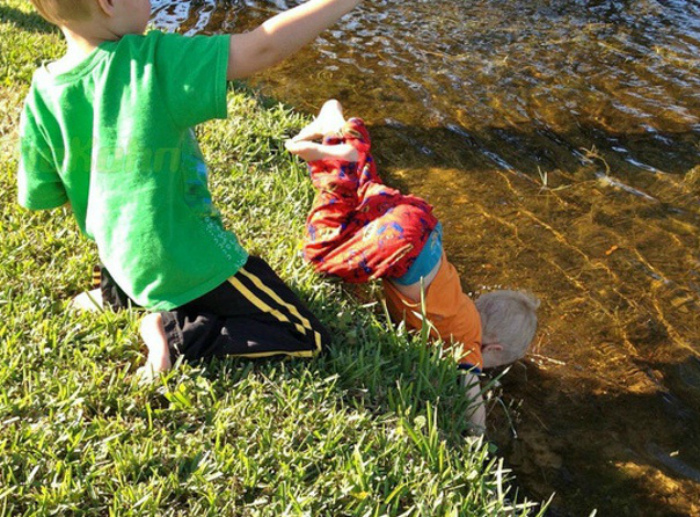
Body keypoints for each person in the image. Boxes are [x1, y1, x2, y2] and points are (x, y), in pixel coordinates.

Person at [17, 0, 363, 380]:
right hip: (189, 260)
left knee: (127, 231)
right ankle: (175, 333)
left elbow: (45, 193)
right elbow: (261, 47)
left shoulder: (43, 90)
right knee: (307, 336)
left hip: (119, 255)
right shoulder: (152, 61)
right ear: (109, 3)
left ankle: (115, 294)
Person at [285, 100, 539, 433]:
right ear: (494, 348)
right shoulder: (468, 340)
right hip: (403, 246)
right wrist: (477, 437)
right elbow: (471, 394)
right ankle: (331, 161)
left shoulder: (461, 306)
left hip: (423, 225)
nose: (480, 365)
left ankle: (339, 129)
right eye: (490, 363)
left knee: (364, 193)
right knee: (320, 256)